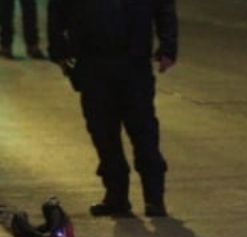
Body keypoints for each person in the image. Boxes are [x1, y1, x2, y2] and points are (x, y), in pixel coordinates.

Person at [47, 0, 178, 218]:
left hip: (132, 60)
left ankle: (153, 197)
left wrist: (168, 45)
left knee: (142, 130)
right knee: (104, 132)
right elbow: (59, 9)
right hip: (94, 61)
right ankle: (118, 194)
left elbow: (163, 7)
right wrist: (60, 51)